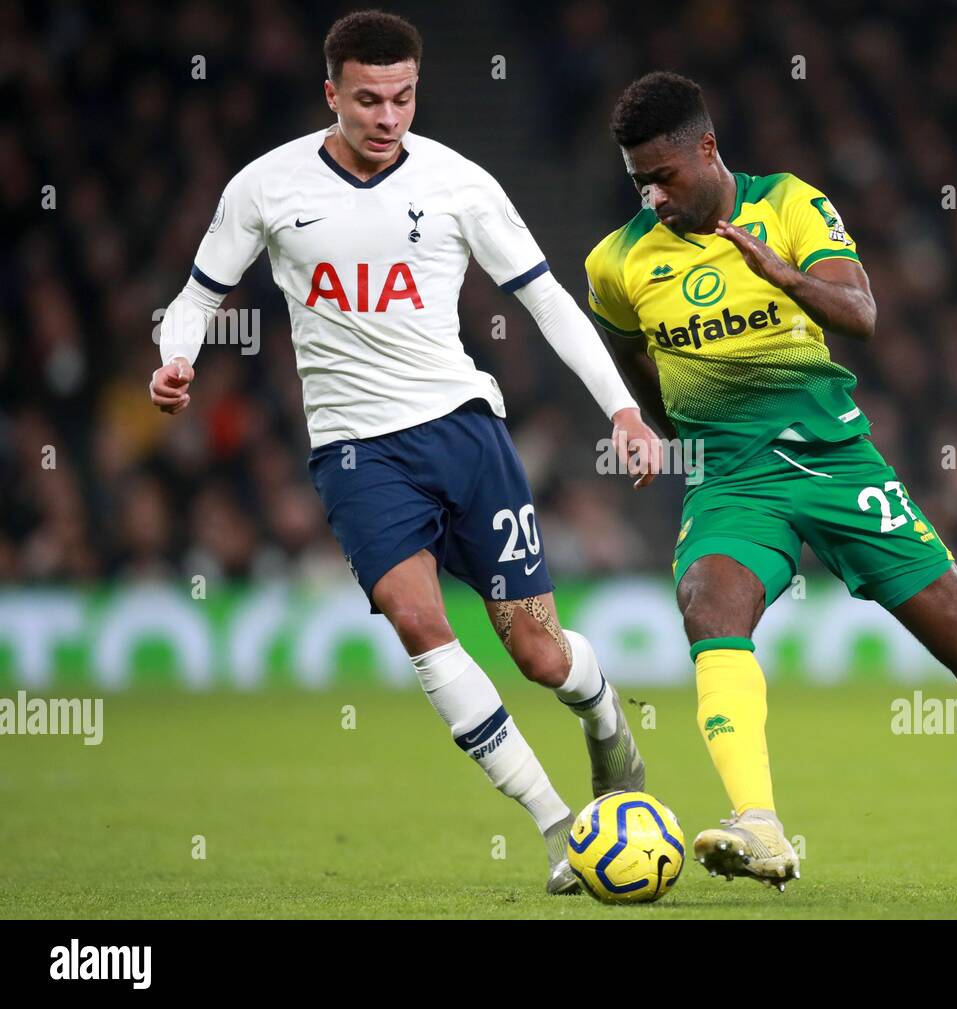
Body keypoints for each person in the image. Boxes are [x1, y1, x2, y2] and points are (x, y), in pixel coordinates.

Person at [149, 10, 659, 895]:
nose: (389, 118)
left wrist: (622, 408)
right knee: (423, 625)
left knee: (538, 654)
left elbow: (546, 303)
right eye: (370, 100)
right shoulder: (266, 188)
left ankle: (605, 717)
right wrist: (177, 355)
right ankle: (555, 827)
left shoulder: (461, 183)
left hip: (464, 430)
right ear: (332, 94)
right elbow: (197, 293)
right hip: (355, 450)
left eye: (405, 98)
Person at [585, 71, 957, 891]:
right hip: (731, 478)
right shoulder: (617, 261)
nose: (654, 197)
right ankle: (761, 824)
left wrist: (783, 275)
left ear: (707, 149)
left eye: (665, 177)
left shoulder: (788, 203)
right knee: (709, 603)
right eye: (639, 181)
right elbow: (626, 350)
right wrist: (661, 428)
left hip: (836, 462)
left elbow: (862, 313)